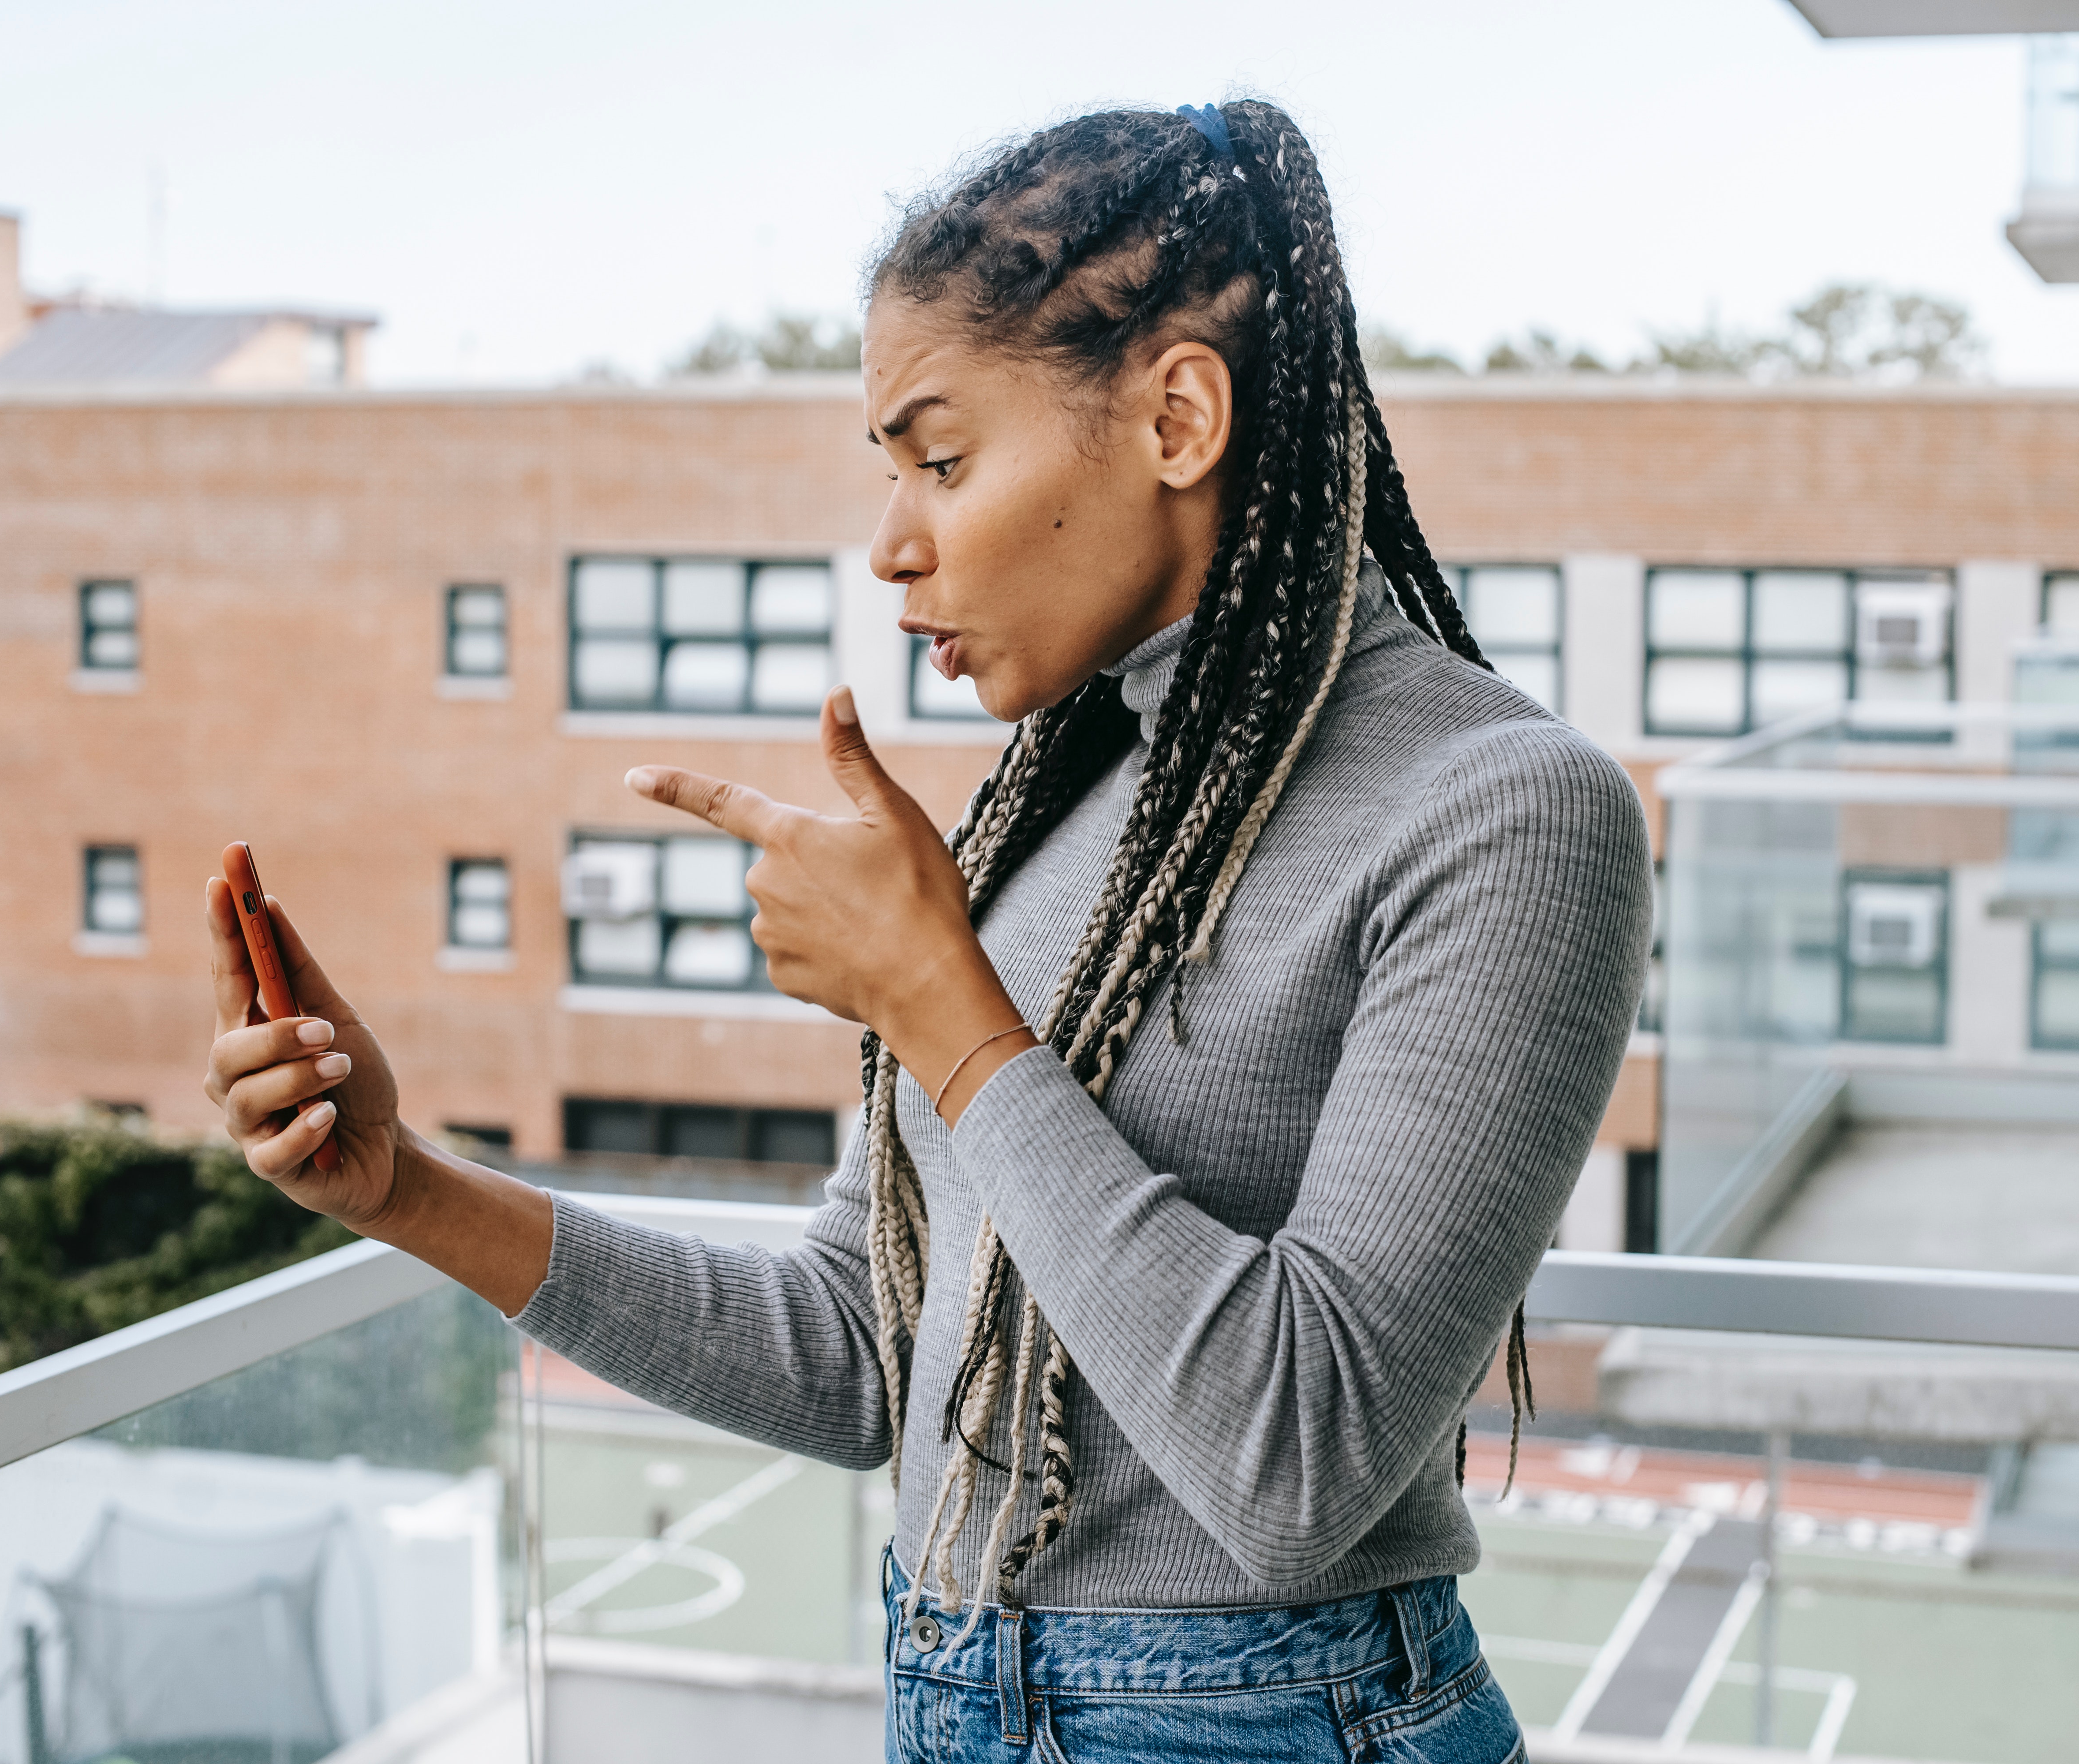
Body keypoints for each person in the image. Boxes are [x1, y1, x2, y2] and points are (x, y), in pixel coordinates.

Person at [205, 98, 1651, 1764]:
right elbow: (859, 1355)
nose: (894, 548)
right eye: (890, 472)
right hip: (955, 1698)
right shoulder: (1061, 817)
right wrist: (405, 1190)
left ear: (1178, 415)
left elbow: (1300, 1461)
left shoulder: (1505, 809)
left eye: (942, 459)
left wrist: (945, 1011)